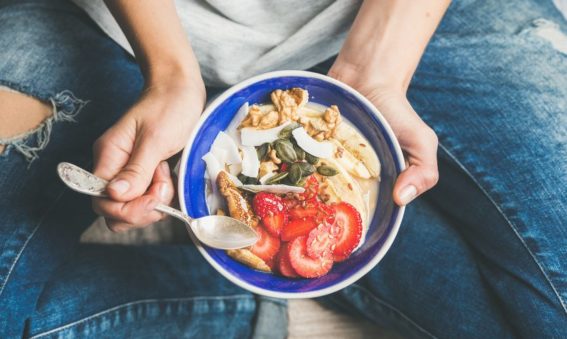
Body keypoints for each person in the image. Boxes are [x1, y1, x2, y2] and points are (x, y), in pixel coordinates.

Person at [1, 0, 565, 337]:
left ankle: (338, 262)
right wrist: (169, 70)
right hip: (112, 27)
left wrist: (378, 67)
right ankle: (241, 306)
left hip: (410, 22)